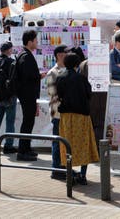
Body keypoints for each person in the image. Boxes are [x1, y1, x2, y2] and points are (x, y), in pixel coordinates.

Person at [56, 52, 99, 185]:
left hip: (66, 116)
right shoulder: (81, 78)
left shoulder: (60, 77)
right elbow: (88, 94)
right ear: (77, 64)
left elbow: (59, 95)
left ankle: (69, 175)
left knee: (67, 145)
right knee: (84, 144)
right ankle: (83, 175)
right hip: (81, 115)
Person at [15, 29, 43, 161]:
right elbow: (27, 77)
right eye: (36, 40)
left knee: (29, 122)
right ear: (30, 41)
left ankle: (26, 148)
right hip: (27, 94)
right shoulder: (25, 56)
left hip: (27, 94)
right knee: (27, 122)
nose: (37, 42)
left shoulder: (24, 54)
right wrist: (39, 76)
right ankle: (22, 151)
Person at [45, 45, 68, 176]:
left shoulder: (67, 70)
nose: (68, 55)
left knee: (64, 142)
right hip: (58, 112)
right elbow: (52, 93)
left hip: (67, 112)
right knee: (57, 141)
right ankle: (56, 169)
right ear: (59, 55)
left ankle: (63, 166)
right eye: (66, 53)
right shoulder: (52, 73)